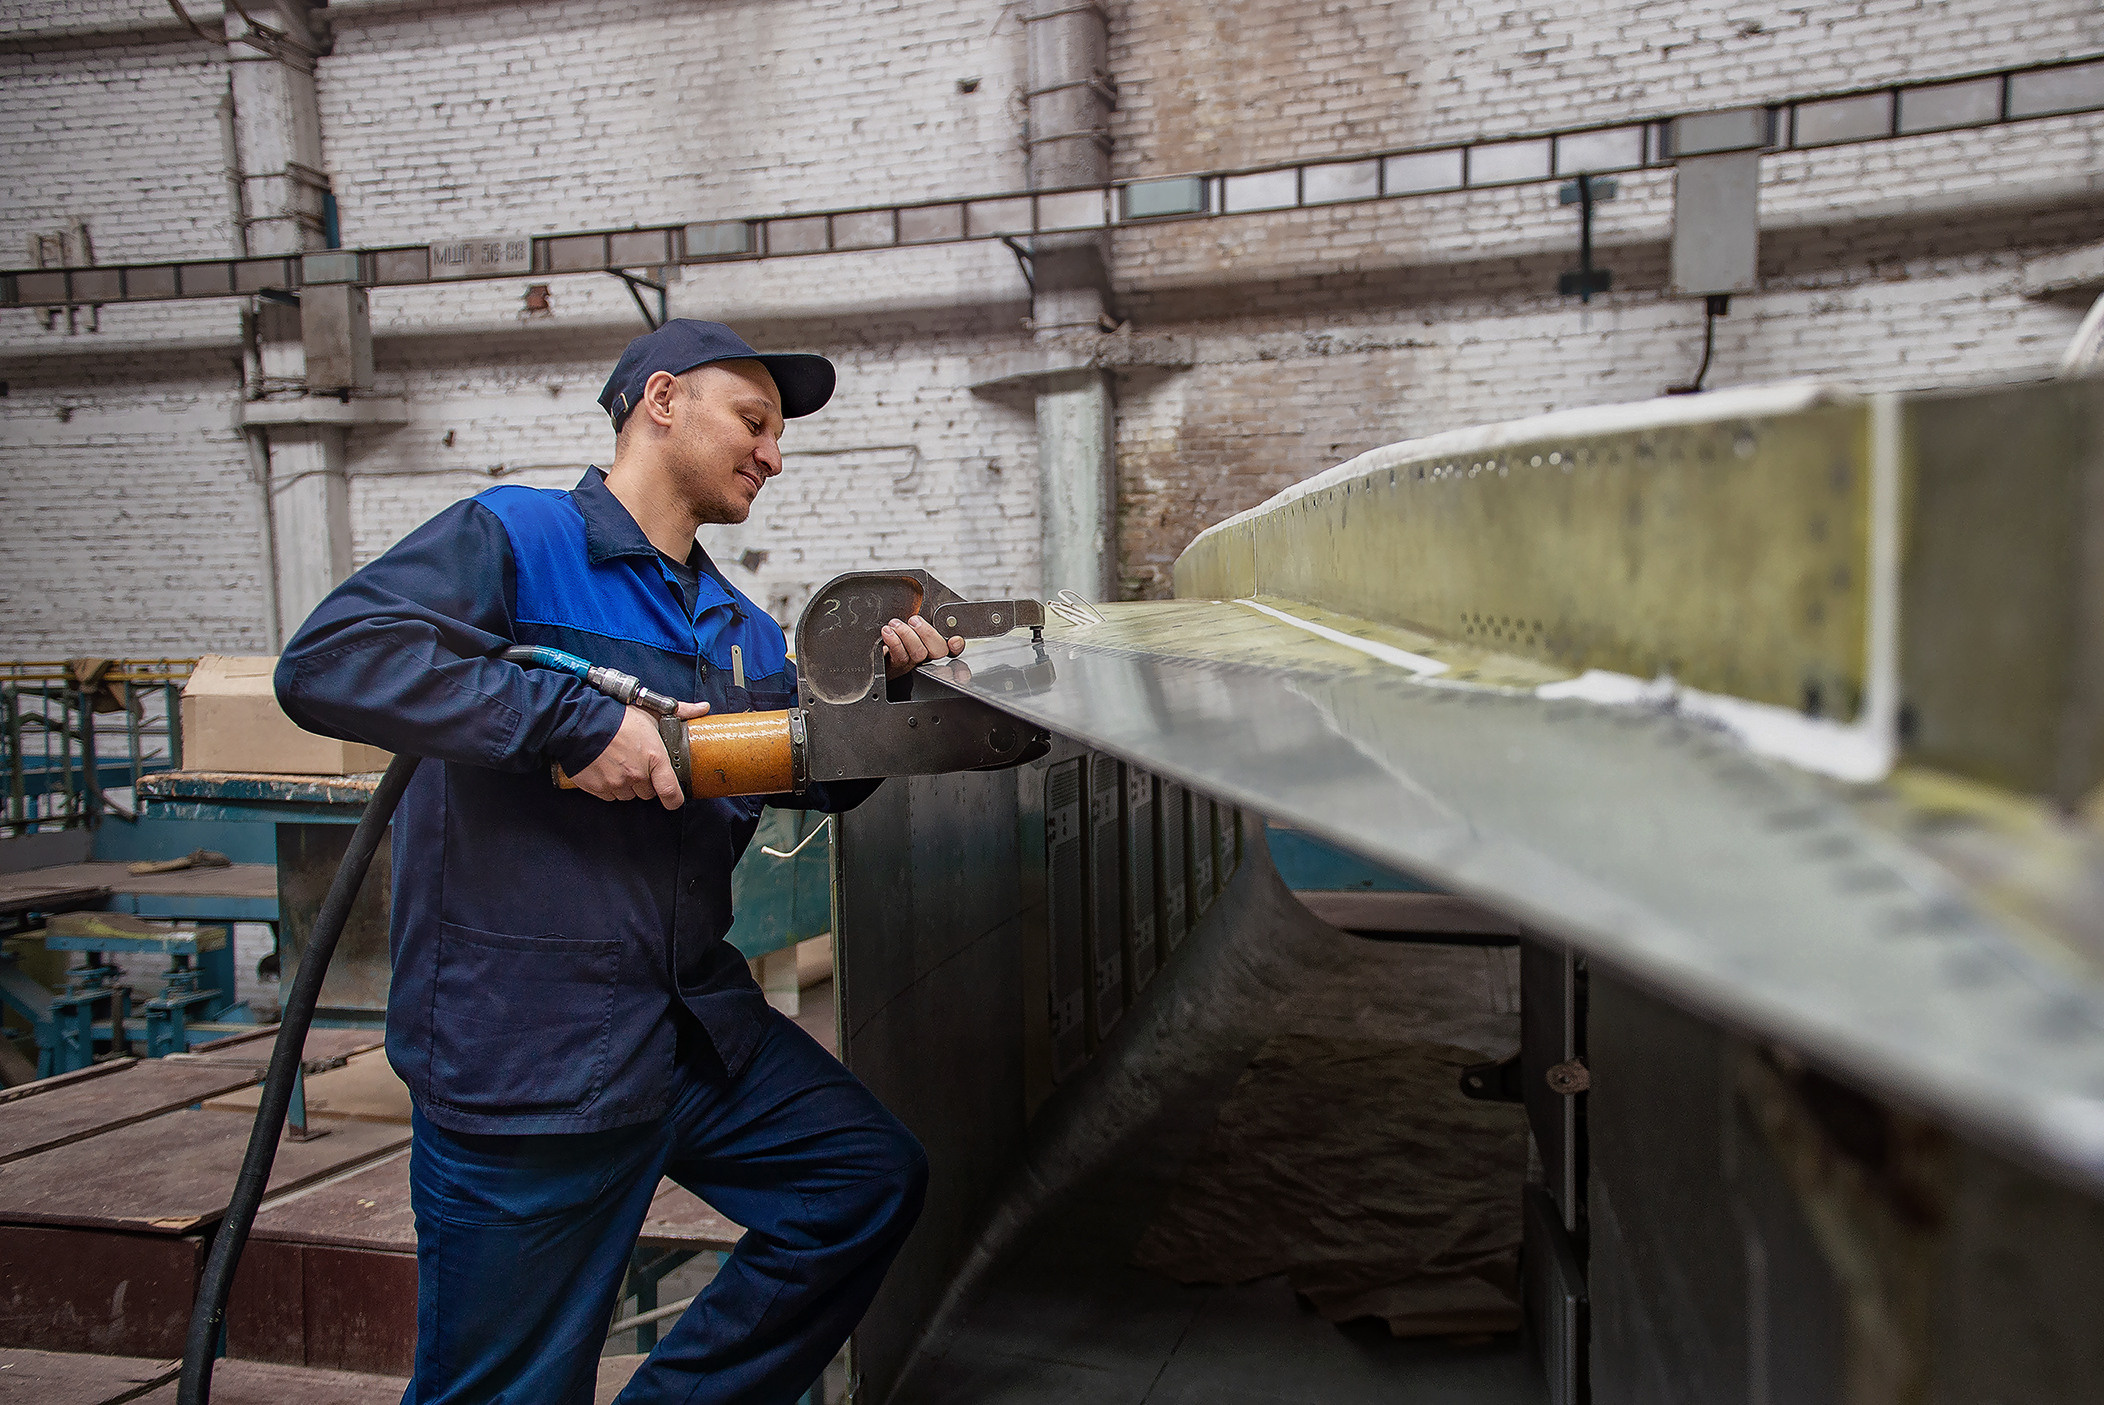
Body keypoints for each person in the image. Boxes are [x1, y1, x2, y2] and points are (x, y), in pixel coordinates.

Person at [276, 320, 962, 1404]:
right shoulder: (516, 538)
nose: (772, 456)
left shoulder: (734, 626)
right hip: (530, 1050)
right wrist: (565, 720)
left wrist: (890, 702)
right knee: (506, 1389)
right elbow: (329, 661)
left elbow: (807, 775)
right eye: (754, 422)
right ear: (660, 401)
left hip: (687, 1027)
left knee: (861, 1181)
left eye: (776, 437)